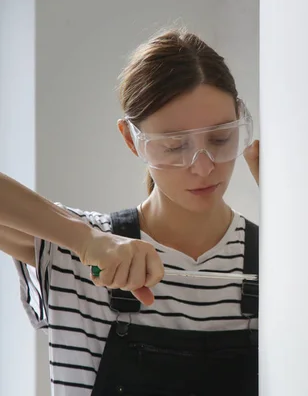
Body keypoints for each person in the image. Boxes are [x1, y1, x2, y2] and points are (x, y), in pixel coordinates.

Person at [0, 27, 261, 396]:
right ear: (130, 139)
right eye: (173, 146)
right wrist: (85, 240)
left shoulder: (276, 264)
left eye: (221, 139)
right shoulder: (74, 256)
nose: (203, 167)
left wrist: (300, 213)